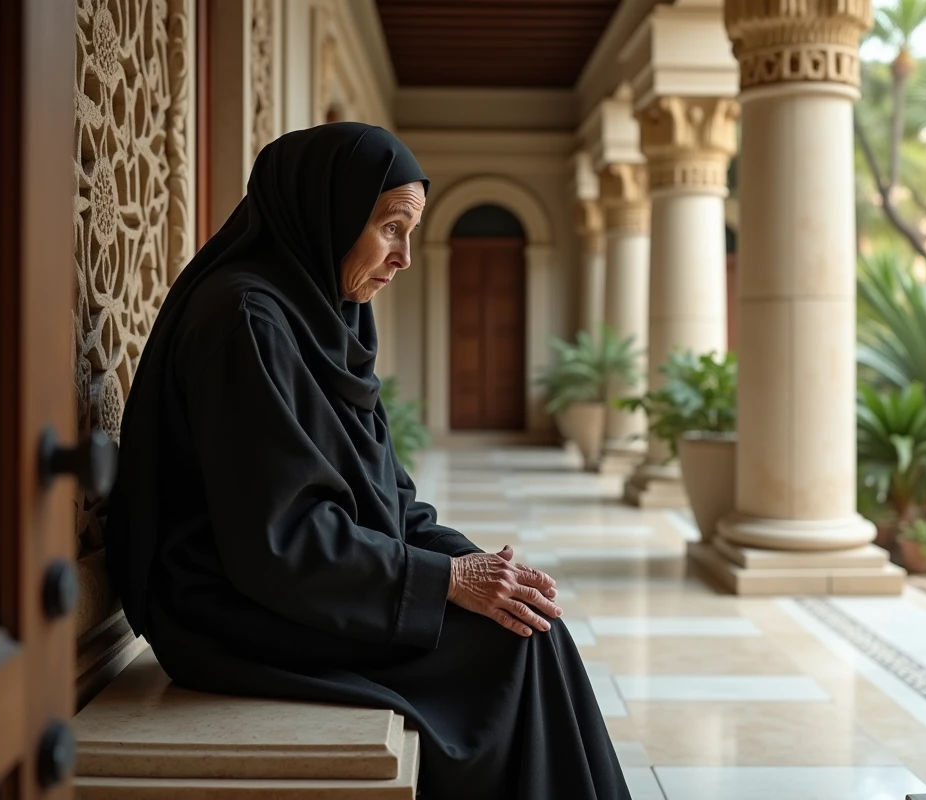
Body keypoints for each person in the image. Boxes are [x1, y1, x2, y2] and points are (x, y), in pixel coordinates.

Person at [105, 123, 631, 800]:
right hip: (231, 607)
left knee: (528, 623)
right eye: (390, 227)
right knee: (512, 648)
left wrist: (479, 569)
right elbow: (277, 537)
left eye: (411, 231)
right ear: (326, 210)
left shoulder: (328, 316)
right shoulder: (245, 321)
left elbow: (392, 497)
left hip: (312, 583)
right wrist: (445, 581)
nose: (404, 256)